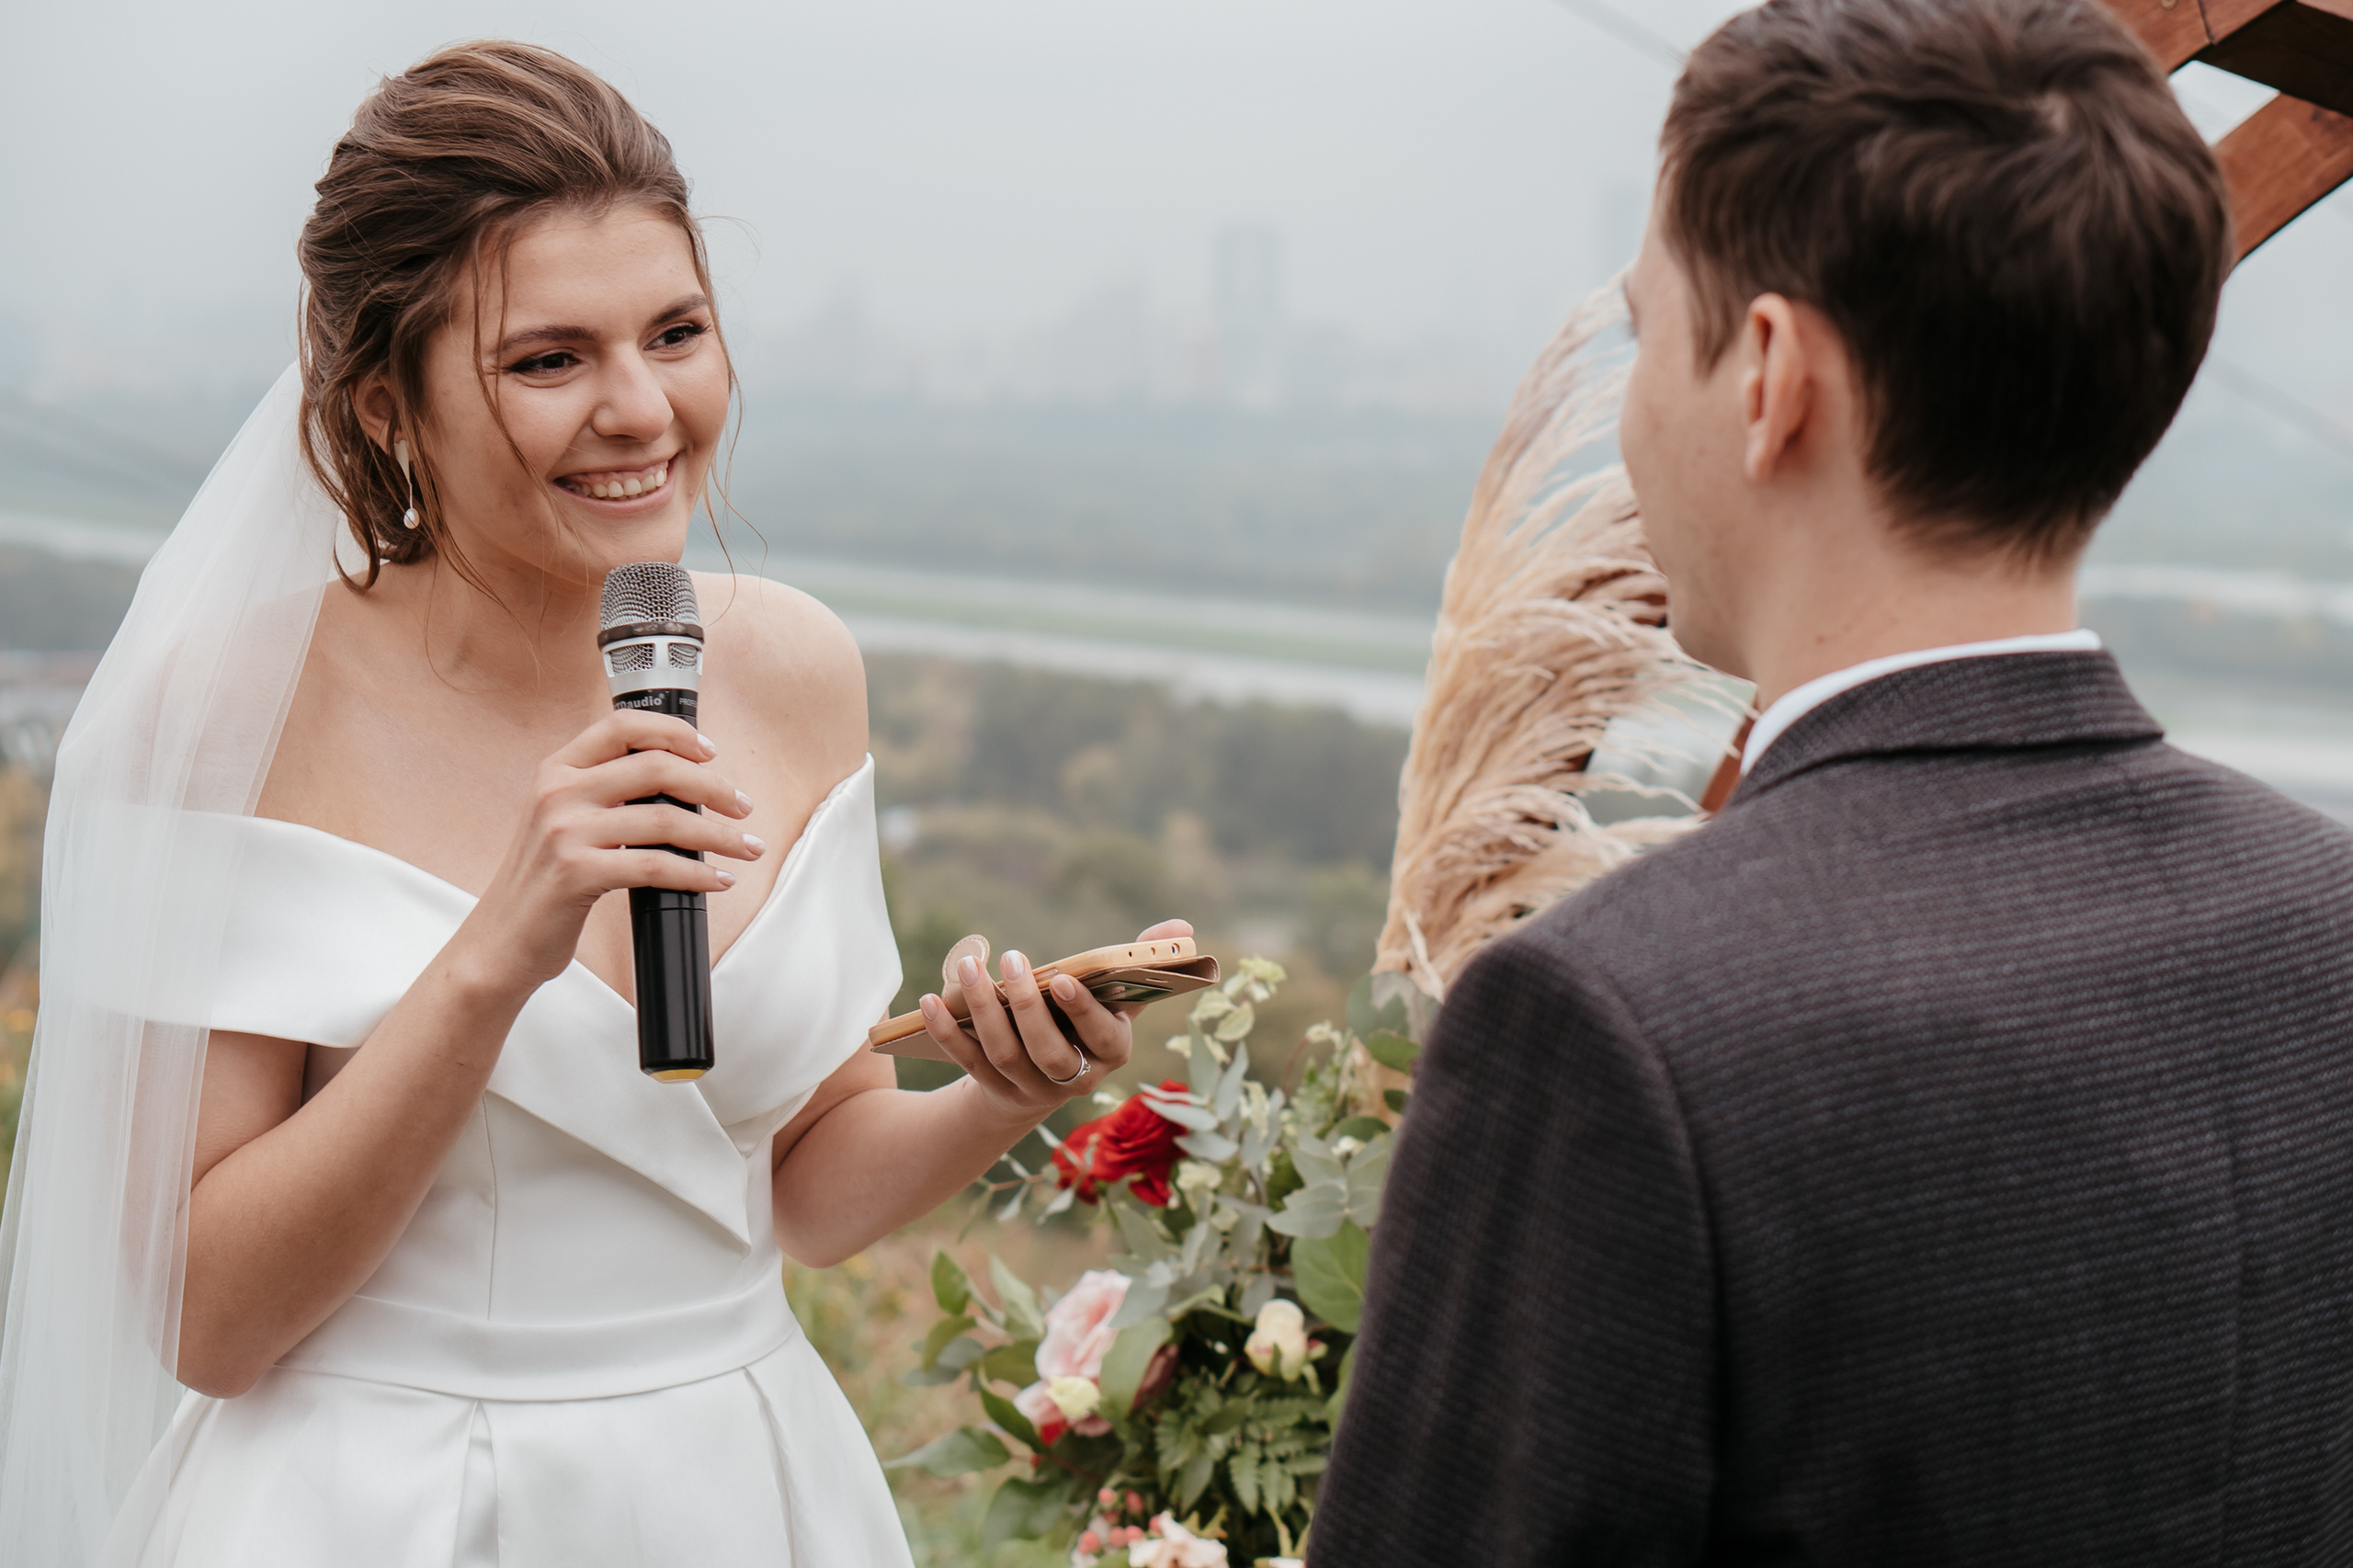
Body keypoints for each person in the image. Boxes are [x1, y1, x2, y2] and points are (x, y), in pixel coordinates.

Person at [0, 42, 1183, 1568]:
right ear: (378, 407)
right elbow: (212, 1320)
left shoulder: (796, 666)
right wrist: (499, 947)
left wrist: (1011, 1082)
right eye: (550, 359)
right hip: (374, 1507)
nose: (641, 408)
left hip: (743, 1490)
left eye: (676, 332)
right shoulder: (223, 711)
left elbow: (803, 1183)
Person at [1315, 1, 2353, 1562]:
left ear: (1773, 378)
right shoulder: (2325, 916)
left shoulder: (1611, 1023)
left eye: (1653, 329)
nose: (1631, 410)